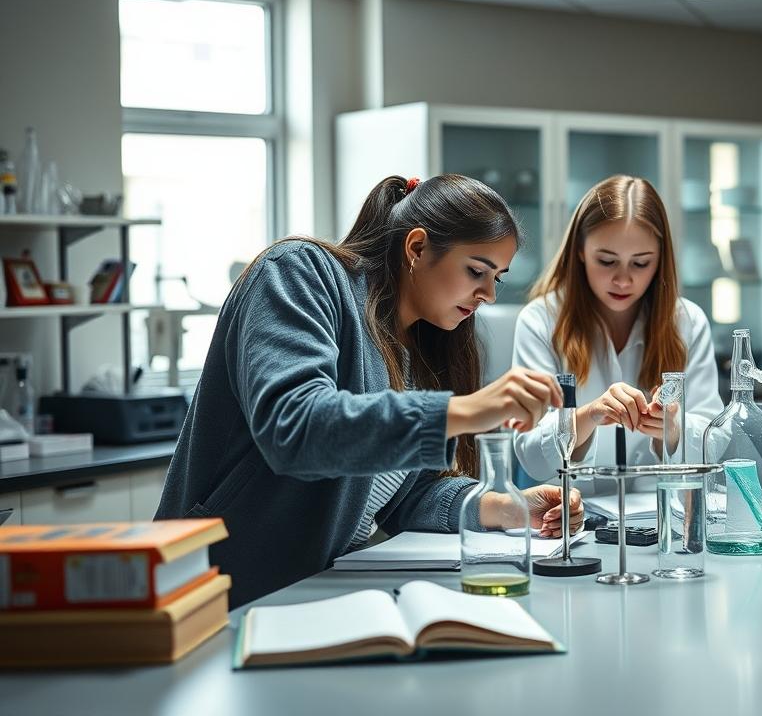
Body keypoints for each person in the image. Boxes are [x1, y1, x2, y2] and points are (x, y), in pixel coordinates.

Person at [157, 174, 583, 607]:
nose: (488, 294)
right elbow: (296, 428)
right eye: (476, 270)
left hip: (302, 597)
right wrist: (464, 411)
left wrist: (505, 508)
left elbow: (408, 495)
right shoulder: (296, 272)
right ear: (416, 248)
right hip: (214, 595)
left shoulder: (418, 350)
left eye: (499, 278)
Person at [512, 175, 722, 489]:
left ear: (660, 259)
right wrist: (588, 416)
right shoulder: (541, 320)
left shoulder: (687, 321)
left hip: (659, 517)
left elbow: (714, 442)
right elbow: (531, 456)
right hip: (572, 520)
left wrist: (674, 428)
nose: (623, 281)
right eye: (607, 261)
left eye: (640, 264)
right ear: (580, 250)